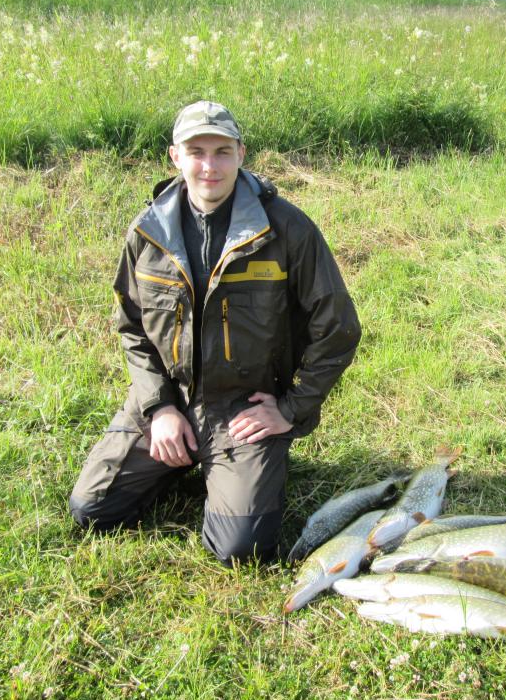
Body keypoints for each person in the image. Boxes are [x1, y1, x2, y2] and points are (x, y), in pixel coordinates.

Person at [68, 100, 361, 564]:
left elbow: (339, 328)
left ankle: (244, 463)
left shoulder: (288, 230)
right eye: (196, 152)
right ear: (175, 157)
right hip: (169, 398)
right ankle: (185, 453)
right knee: (93, 509)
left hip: (242, 410)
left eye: (222, 152)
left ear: (241, 153)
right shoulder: (147, 232)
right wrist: (160, 407)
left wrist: (291, 408)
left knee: (241, 548)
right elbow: (133, 328)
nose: (210, 166)